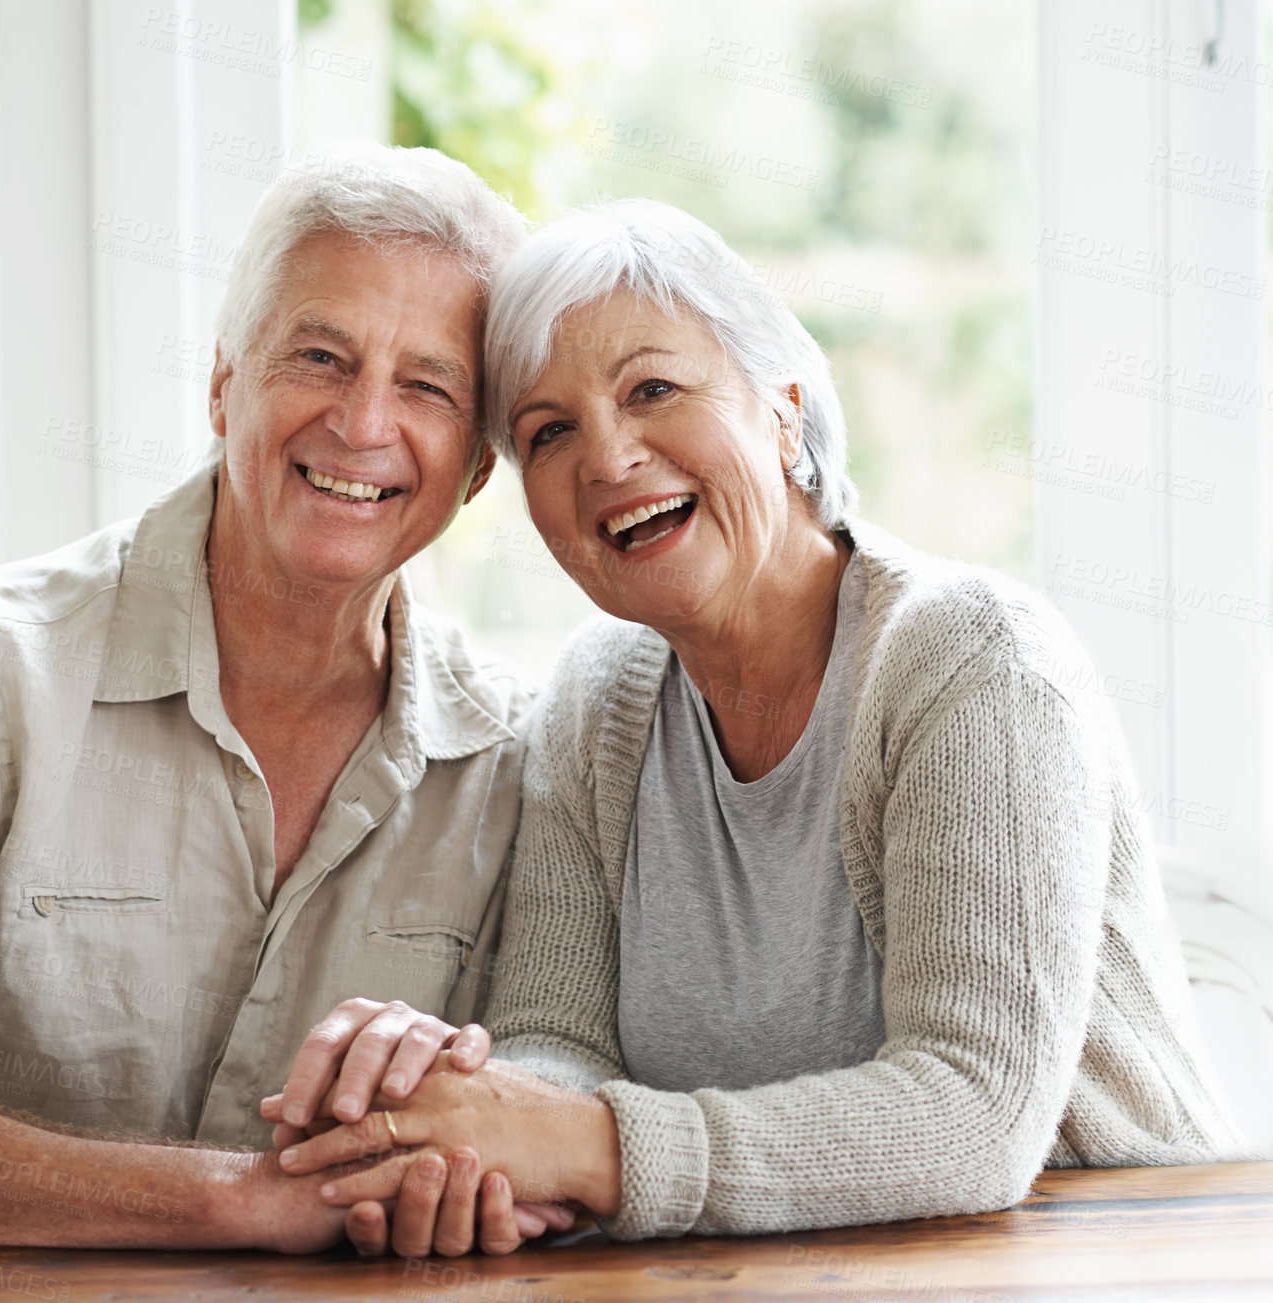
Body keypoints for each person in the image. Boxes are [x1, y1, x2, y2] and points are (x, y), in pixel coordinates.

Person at [267, 199, 1247, 1245]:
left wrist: (585, 1146)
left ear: (782, 409)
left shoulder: (971, 656)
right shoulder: (595, 703)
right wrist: (476, 1133)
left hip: (1113, 1259)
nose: (606, 458)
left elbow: (978, 1114)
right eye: (547, 433)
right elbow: (561, 1039)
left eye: (653, 388)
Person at [0, 144, 571, 1256]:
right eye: (320, 356)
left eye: (428, 386)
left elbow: (545, 1129)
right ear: (225, 382)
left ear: (475, 466)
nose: (365, 424)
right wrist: (241, 1199)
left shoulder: (523, 761)